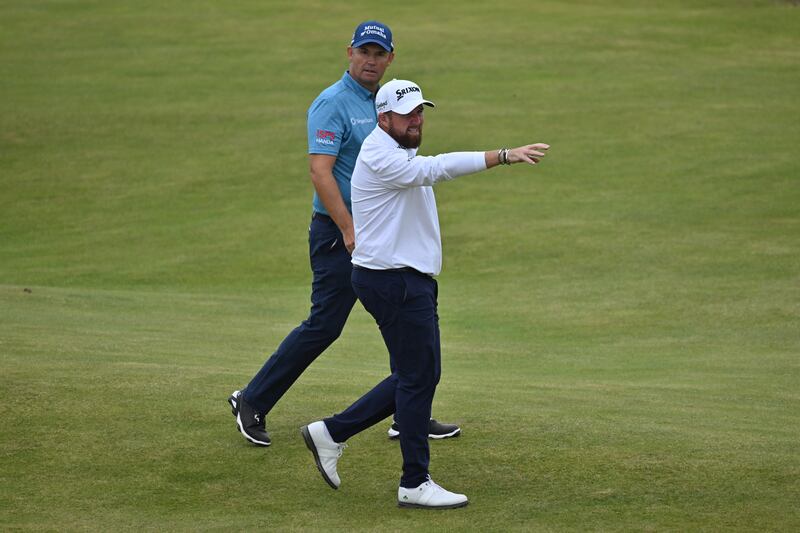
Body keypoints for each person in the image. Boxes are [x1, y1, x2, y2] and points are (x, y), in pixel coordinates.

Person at [300, 79, 550, 509]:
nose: (416, 121)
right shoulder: (382, 155)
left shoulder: (396, 146)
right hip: (393, 281)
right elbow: (437, 168)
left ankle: (332, 432)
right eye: (407, 114)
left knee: (418, 375)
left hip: (401, 278)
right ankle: (413, 481)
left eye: (420, 112)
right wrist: (503, 156)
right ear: (383, 118)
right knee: (418, 377)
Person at [228, 21, 460, 447]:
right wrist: (349, 229)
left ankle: (411, 410)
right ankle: (252, 399)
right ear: (349, 53)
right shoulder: (332, 103)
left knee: (402, 320)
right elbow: (320, 172)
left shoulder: (388, 103)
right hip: (341, 234)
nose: (371, 61)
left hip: (379, 233)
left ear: (390, 59)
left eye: (379, 54)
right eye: (364, 52)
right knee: (326, 324)